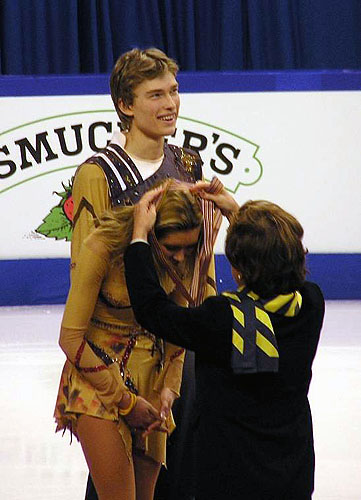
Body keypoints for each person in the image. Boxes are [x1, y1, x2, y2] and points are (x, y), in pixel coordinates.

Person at [70, 47, 216, 499]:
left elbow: (199, 256)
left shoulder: (187, 163)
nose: (170, 102)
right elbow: (86, 273)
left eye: (174, 90)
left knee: (177, 471)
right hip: (112, 349)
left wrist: (204, 315)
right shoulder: (98, 174)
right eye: (155, 94)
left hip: (174, 344)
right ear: (126, 105)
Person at [124, 183, 325, 500]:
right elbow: (281, 269)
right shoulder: (311, 304)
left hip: (230, 477)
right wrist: (236, 214)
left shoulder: (222, 318)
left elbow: (153, 311)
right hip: (292, 473)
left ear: (238, 271)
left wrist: (138, 237)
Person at [54, 184, 208, 500]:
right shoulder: (103, 246)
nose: (181, 258)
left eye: (188, 250)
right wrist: (125, 401)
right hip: (96, 381)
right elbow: (69, 337)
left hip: (151, 382)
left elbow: (177, 329)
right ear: (150, 235)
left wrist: (170, 388)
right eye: (172, 249)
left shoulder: (187, 254)